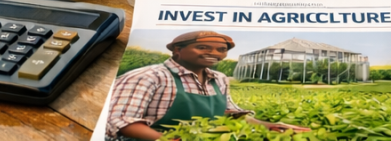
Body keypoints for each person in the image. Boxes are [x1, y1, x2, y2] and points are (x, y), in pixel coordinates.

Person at [105, 31, 309, 140]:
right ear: (178, 50)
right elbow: (119, 121)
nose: (215, 53)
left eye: (221, 49)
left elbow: (229, 114)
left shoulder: (219, 78)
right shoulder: (148, 77)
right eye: (202, 47)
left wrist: (273, 127)